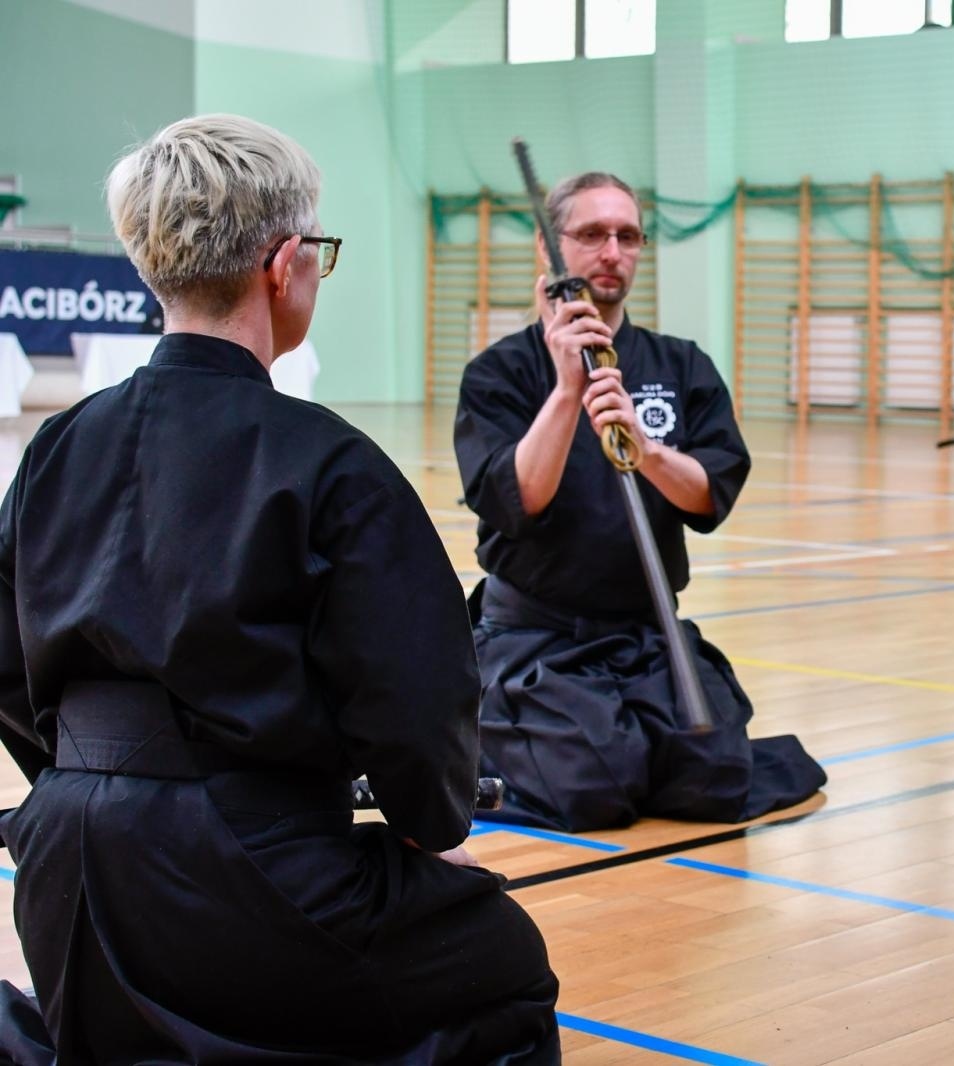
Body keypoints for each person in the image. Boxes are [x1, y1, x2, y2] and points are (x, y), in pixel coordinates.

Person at [0, 115, 560, 1062]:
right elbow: (416, 698)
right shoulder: (328, 462)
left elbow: (6, 670)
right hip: (254, 870)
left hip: (63, 871)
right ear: (283, 263)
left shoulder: (55, 447)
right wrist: (432, 829)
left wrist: (86, 785)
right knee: (505, 963)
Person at [453, 171, 826, 833]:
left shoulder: (680, 365)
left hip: (645, 633)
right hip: (538, 639)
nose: (612, 251)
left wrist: (645, 450)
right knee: (594, 789)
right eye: (592, 234)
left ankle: (616, 740)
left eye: (627, 236)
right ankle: (471, 751)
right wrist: (568, 393)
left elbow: (709, 496)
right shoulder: (499, 373)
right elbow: (517, 500)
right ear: (549, 247)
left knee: (716, 779)